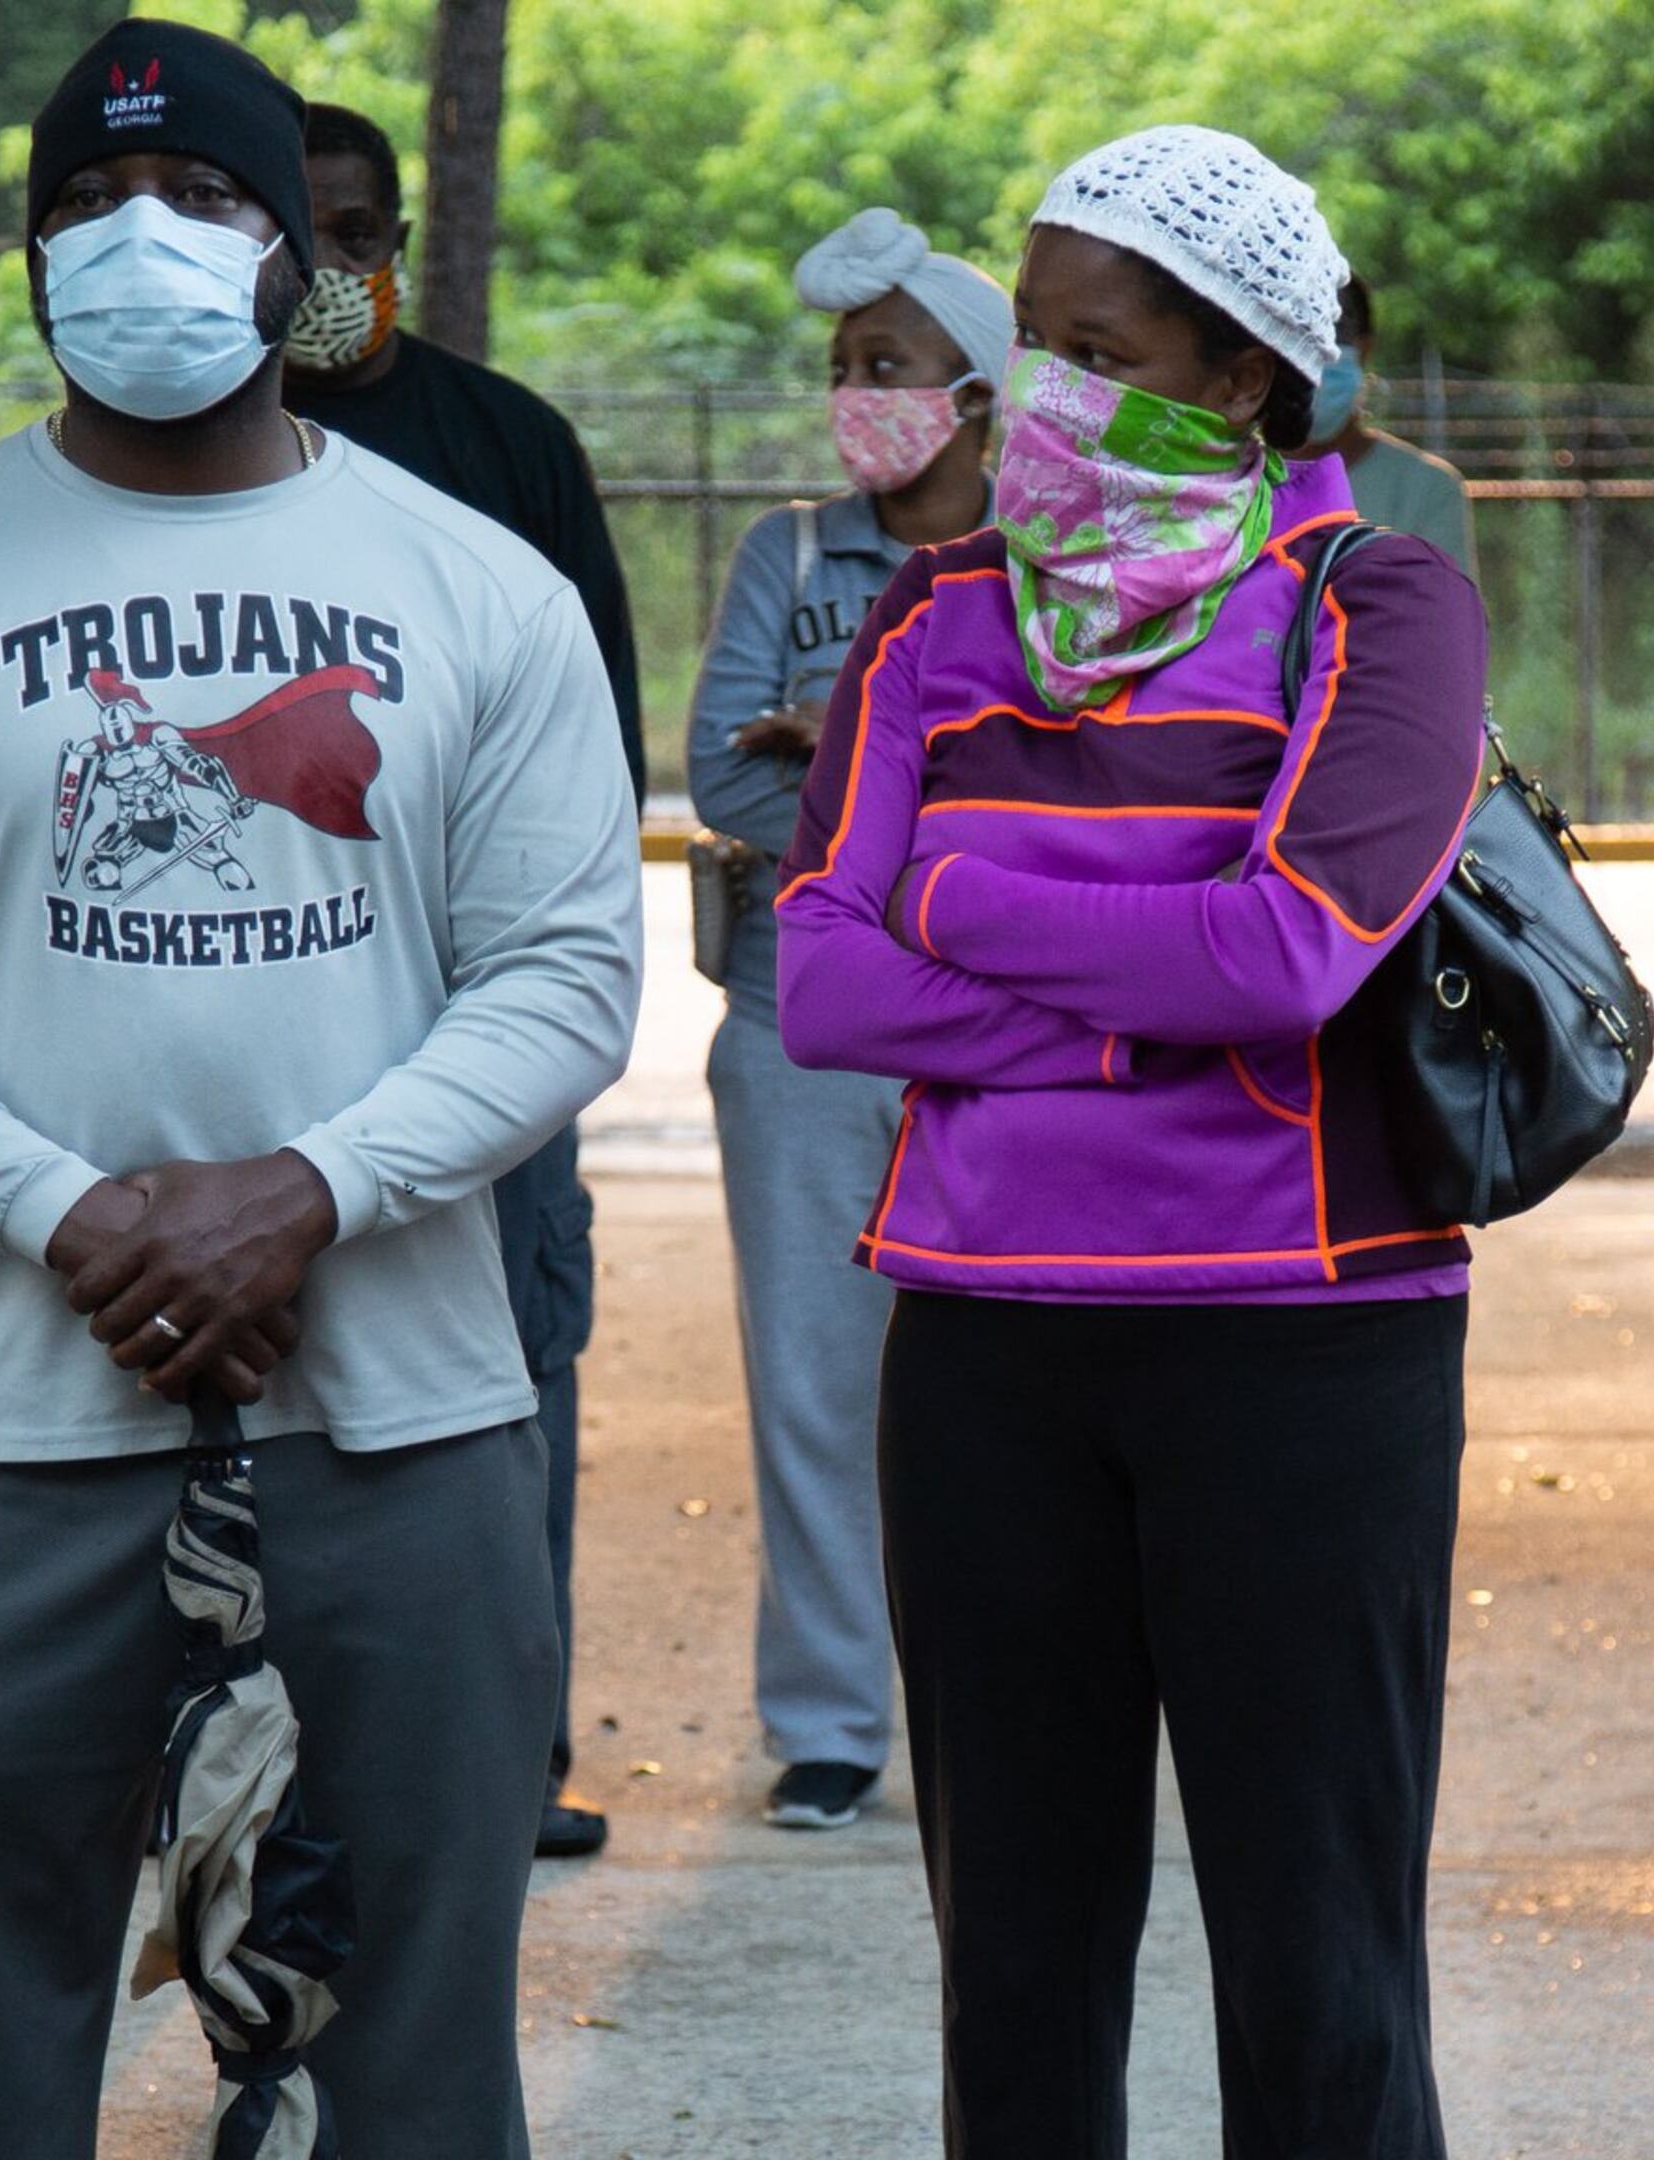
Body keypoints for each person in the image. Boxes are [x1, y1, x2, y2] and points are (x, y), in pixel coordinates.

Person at [0, 22, 641, 2159]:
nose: (144, 242)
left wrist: (305, 1190)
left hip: (397, 1430)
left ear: (295, 261)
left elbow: (568, 974)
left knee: (402, 2067)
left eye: (210, 201)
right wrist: (78, 1211)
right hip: (5, 1436)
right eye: (84, 208)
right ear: (27, 259)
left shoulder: (473, 587)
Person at [772, 126, 1489, 2154]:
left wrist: (968, 910)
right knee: (1013, 1969)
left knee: (1317, 1972)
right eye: (1042, 344)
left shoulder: (1380, 608)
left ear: (1242, 372)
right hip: (988, 1346)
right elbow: (818, 984)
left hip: (1303, 1347)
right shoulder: (933, 626)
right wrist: (1124, 1018)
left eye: (1101, 349)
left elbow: (1282, 956)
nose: (1051, 396)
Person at [281, 98, 643, 1863]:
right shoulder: (177, 448)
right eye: (301, 234)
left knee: (503, 1386)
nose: (331, 274)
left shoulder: (507, 445)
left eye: (361, 235)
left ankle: (506, 1759)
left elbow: (597, 766)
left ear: (400, 237)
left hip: (473, 1045)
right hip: (259, 1024)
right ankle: (221, 1760)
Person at [683, 206, 1006, 1835]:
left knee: (1001, 1386)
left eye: (889, 365)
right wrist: (938, 769)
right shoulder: (788, 557)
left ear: (981, 392)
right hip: (795, 1021)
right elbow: (719, 773)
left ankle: (1005, 1698)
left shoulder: (1054, 564)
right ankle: (827, 1723)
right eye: (841, 368)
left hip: (994, 1031)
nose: (855, 395)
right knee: (815, 1382)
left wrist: (849, 748)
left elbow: (1085, 788)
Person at [1307, 274, 1476, 579]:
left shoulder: (1426, 490)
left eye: (1336, 330)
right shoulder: (1229, 483)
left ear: (1366, 347)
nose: (1322, 346)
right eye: (1301, 326)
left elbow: (1443, 619)